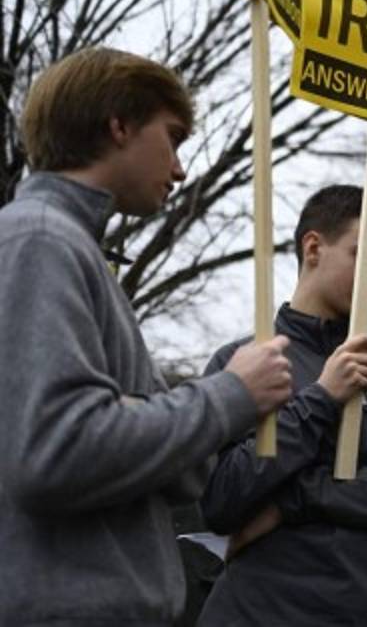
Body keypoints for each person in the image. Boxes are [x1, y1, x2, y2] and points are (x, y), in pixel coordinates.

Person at [0, 47, 293, 625]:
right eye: (174, 137)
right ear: (119, 124)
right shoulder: (39, 242)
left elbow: (182, 475)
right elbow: (55, 451)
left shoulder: (70, 248)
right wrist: (230, 395)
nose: (181, 169)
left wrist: (147, 419)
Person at [198, 184, 367, 625]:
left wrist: (291, 500)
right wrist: (320, 399)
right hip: (256, 613)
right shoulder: (241, 363)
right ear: (313, 247)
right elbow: (220, 500)